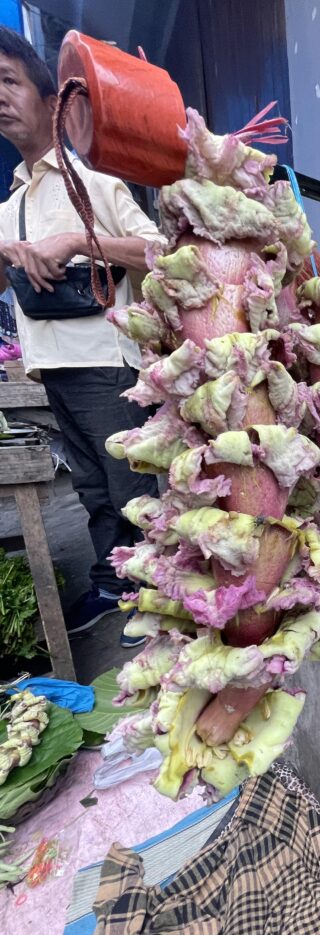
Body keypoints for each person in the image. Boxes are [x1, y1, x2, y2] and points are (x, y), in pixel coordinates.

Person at [0, 27, 162, 648]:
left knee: (128, 487)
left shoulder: (94, 184)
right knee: (91, 487)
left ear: (49, 100)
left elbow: (157, 250)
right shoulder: (13, 199)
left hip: (103, 364)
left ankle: (152, 595)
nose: (1, 98)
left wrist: (74, 242)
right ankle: (114, 583)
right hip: (50, 367)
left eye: (10, 82)